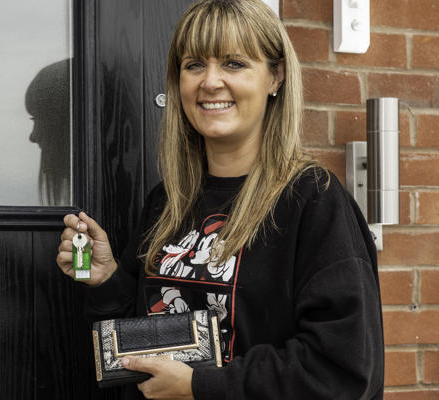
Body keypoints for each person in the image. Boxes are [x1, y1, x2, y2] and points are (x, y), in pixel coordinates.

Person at [56, 0, 385, 398]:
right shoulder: (167, 202)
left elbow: (342, 370)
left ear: (275, 76)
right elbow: (137, 346)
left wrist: (201, 386)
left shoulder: (312, 200)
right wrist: (106, 280)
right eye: (194, 65)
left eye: (233, 63)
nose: (210, 82)